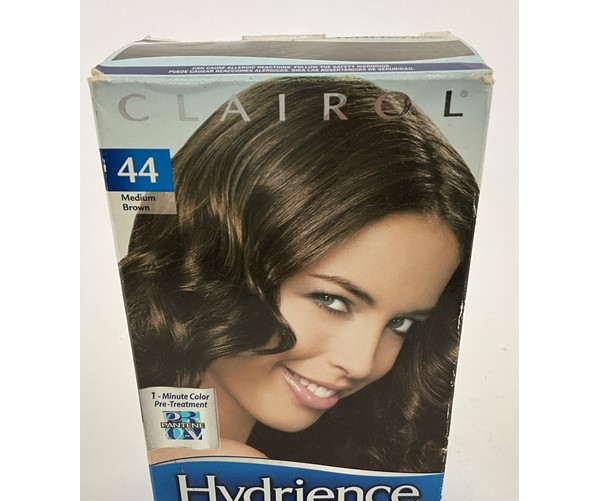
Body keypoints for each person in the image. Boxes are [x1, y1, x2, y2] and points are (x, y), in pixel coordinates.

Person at [119, 76, 479, 473]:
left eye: (401, 323)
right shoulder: (224, 470)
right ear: (218, 254)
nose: (361, 364)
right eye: (331, 300)